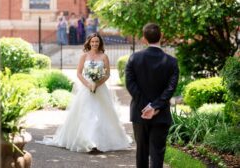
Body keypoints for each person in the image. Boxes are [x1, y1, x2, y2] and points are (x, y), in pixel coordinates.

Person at [39, 33, 132, 152]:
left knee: (101, 114)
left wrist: (97, 84)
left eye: (97, 42)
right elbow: (78, 73)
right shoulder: (84, 56)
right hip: (85, 88)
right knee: (86, 114)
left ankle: (98, 142)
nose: (94, 44)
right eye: (92, 42)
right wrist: (88, 84)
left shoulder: (104, 57)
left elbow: (107, 74)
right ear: (89, 43)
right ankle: (89, 142)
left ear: (100, 43)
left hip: (100, 88)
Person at [125, 23, 179, 168]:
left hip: (140, 113)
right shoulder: (172, 62)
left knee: (141, 152)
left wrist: (146, 106)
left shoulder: (134, 59)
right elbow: (170, 89)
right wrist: (155, 107)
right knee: (157, 154)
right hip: (160, 114)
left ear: (144, 39)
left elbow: (130, 85)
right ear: (161, 36)